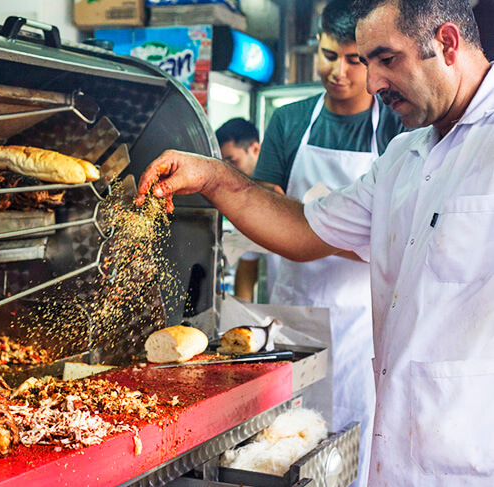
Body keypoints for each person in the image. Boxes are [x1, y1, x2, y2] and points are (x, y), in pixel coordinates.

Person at [135, 0, 493, 484]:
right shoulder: (404, 156)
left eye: (386, 59)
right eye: (367, 63)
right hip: (404, 450)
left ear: (447, 44)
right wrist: (214, 176)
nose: (372, 84)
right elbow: (305, 228)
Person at [252, 2, 406, 484]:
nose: (337, 72)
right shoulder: (289, 121)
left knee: (351, 440)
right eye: (326, 55)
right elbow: (262, 209)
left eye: (353, 59)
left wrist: (308, 222)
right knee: (283, 443)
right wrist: (346, 229)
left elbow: (396, 231)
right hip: (292, 313)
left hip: (364, 321)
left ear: (372, 60)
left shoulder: (395, 128)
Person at [215, 118, 278, 302]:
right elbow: (247, 266)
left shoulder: (279, 189)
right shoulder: (249, 197)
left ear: (255, 149)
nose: (228, 170)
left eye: (232, 161)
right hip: (281, 305)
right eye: (223, 163)